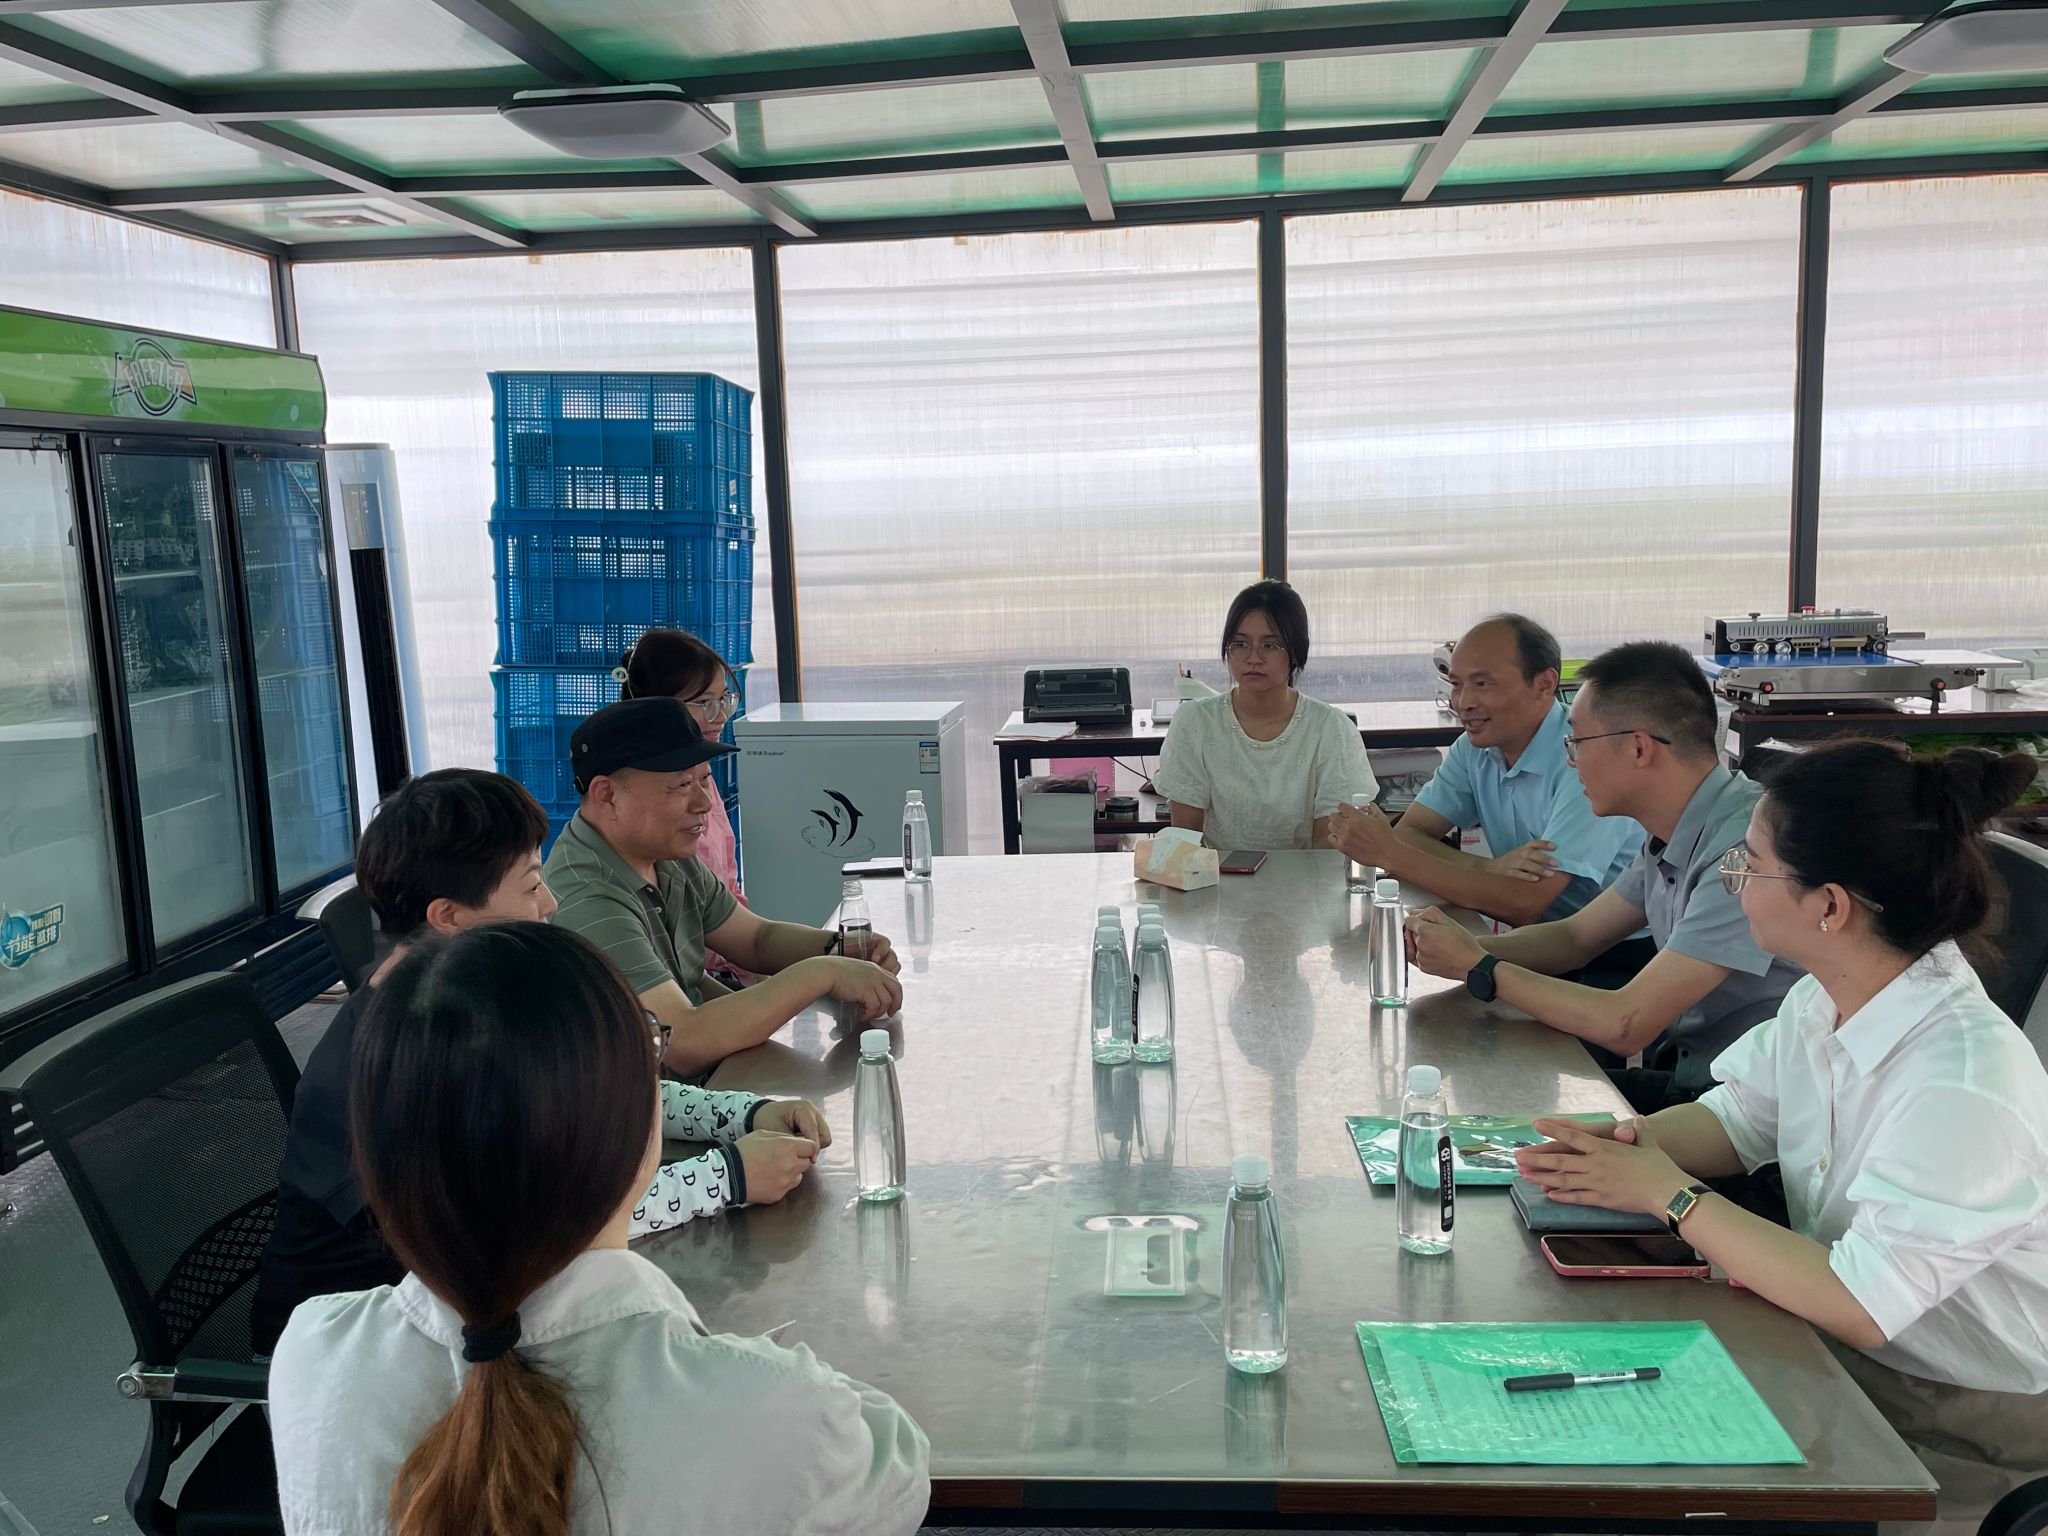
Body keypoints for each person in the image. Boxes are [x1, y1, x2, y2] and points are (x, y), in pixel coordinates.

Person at [1516, 742, 2048, 1529]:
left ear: (1828, 906)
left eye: (1752, 864)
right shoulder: (1824, 999)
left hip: (1956, 1408)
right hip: (1839, 1334)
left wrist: (1670, 1196)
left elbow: (1862, 1300)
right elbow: (1737, 1121)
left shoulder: (1962, 1080)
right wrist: (1618, 1146)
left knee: (1637, 1457)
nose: (1734, 878)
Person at [269, 923, 931, 1536]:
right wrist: (750, 1364)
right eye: (649, 1049)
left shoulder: (310, 1357)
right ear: (632, 1134)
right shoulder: (778, 1412)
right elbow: (899, 1471)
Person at [251, 769, 827, 1355]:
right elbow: (544, 1225)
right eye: (530, 887)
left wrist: (741, 1114)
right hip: (368, 1350)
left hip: (468, 1314)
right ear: (449, 917)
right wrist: (726, 1176)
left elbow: (601, 1086)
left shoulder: (471, 995)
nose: (551, 903)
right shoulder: (417, 1057)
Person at [1404, 642, 1803, 1113]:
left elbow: (1626, 1023)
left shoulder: (1745, 850)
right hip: (1697, 1080)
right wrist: (1455, 947)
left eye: (1577, 743)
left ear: (1638, 747)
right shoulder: (1672, 829)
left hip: (1749, 1113)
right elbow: (1575, 937)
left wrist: (1480, 967)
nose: (1571, 761)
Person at [545, 697, 903, 1076]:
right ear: (607, 796)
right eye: (681, 785)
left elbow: (756, 939)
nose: (703, 803)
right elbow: (682, 1041)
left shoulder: (663, 853)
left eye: (705, 779)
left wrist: (844, 949)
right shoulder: (588, 898)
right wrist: (824, 971)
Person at [1330, 614, 1642, 929]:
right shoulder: (1473, 748)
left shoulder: (1585, 756)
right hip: (1545, 938)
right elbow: (1410, 832)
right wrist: (1490, 867)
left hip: (1620, 946)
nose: (1463, 702)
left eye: (1482, 684)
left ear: (1544, 684)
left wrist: (1391, 855)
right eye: (1456, 684)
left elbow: (1524, 903)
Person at [1151, 580, 1377, 852]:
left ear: (1296, 651)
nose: (1253, 658)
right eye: (1240, 644)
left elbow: (1327, 848)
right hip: (1216, 875)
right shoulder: (1195, 723)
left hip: (1307, 877)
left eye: (1270, 646)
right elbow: (1185, 841)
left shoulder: (1331, 729)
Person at [615, 628, 744, 906]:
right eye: (704, 702)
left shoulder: (700, 771)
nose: (721, 715)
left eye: (724, 699)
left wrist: (744, 925)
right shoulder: (642, 793)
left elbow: (728, 877)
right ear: (656, 706)